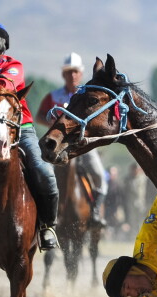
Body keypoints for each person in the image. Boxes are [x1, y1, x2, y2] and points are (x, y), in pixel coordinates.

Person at [0, 23, 59, 250]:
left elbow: (4, 86)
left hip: (22, 128)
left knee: (43, 171)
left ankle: (47, 226)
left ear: (4, 45)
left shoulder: (14, 66)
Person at [36, 52, 108, 227]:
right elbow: (38, 116)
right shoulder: (53, 97)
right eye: (69, 72)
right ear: (63, 74)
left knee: (99, 175)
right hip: (58, 146)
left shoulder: (88, 95)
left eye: (75, 71)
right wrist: (52, 122)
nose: (72, 75)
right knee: (41, 175)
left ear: (81, 73)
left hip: (83, 144)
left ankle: (96, 212)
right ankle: (43, 213)